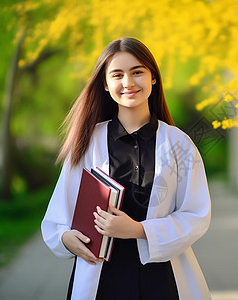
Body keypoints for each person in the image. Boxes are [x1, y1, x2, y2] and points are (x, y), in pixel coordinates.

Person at [41, 37, 212, 299]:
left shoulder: (179, 143)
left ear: (153, 78)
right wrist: (65, 239)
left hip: (162, 278)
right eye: (117, 74)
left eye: (137, 72)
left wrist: (138, 230)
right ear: (106, 85)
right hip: (100, 280)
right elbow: (57, 218)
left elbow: (195, 215)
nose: (128, 83)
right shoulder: (87, 143)